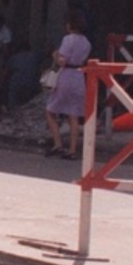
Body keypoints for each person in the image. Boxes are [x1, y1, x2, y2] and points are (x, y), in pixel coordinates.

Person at [45, 13, 92, 159]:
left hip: (66, 76)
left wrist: (54, 54)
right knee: (74, 115)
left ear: (70, 25)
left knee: (50, 110)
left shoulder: (68, 39)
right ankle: (72, 150)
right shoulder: (86, 42)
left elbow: (62, 61)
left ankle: (58, 144)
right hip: (79, 76)